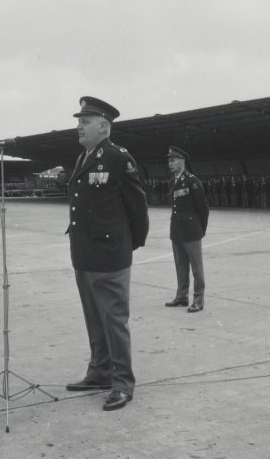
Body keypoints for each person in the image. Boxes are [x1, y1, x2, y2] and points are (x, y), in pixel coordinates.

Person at [66, 96, 149, 411]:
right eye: (79, 122)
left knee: (114, 321)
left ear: (103, 126)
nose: (79, 127)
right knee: (93, 318)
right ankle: (99, 372)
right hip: (84, 255)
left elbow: (137, 208)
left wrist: (126, 246)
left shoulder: (117, 158)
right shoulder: (83, 157)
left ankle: (122, 383)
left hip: (110, 255)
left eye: (85, 122)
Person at [165, 146, 209, 312]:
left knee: (196, 268)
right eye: (169, 161)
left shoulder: (192, 181)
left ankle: (198, 300)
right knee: (180, 266)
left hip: (191, 230)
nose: (170, 164)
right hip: (177, 230)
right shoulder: (172, 181)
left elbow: (203, 209)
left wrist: (200, 230)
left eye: (173, 160)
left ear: (182, 161)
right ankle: (182, 296)